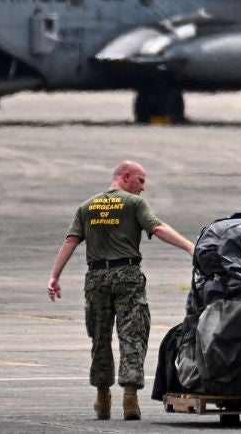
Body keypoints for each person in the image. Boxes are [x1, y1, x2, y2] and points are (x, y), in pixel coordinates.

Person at [47, 161, 195, 421]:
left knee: (100, 338)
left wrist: (54, 276)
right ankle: (130, 396)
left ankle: (102, 397)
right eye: (141, 180)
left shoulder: (87, 206)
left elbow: (70, 241)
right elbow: (158, 228)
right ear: (126, 176)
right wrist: (191, 247)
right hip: (127, 276)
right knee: (133, 335)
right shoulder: (133, 203)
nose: (143, 187)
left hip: (96, 279)